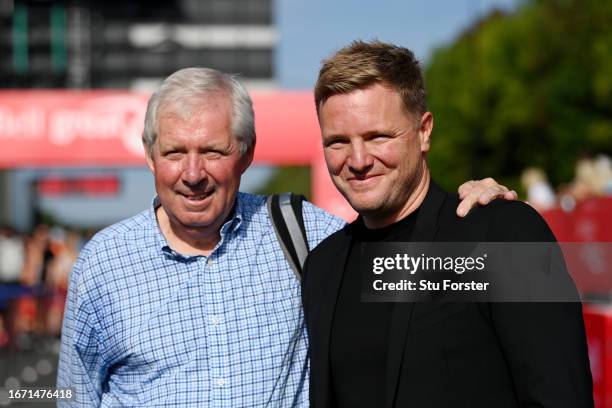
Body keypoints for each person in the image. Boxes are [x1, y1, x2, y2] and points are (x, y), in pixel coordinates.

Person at [57, 67, 516, 406]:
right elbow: (73, 395)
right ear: (150, 155)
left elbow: (417, 253)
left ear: (246, 154)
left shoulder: (303, 235)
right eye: (175, 152)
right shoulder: (102, 264)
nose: (192, 173)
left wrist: (492, 216)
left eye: (213, 151)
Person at [302, 40, 593, 408]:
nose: (358, 160)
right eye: (338, 142)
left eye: (377, 136)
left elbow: (561, 396)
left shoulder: (501, 236)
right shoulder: (323, 267)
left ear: (424, 131)